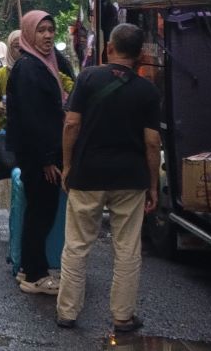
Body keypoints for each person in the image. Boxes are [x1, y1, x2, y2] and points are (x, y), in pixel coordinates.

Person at [56, 24, 160, 332]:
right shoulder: (147, 91)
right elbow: (152, 142)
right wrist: (153, 184)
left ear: (109, 48)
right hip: (130, 177)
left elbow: (71, 125)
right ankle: (122, 316)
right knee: (127, 248)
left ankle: (67, 312)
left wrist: (67, 165)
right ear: (140, 55)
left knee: (76, 244)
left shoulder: (88, 78)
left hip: (88, 173)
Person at [6, 11, 76, 296]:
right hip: (38, 155)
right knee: (41, 212)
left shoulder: (42, 63)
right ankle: (35, 275)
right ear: (28, 33)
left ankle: (28, 267)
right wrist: (47, 159)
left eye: (51, 29)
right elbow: (34, 118)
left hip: (39, 152)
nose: (48, 35)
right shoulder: (29, 68)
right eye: (41, 30)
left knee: (39, 210)